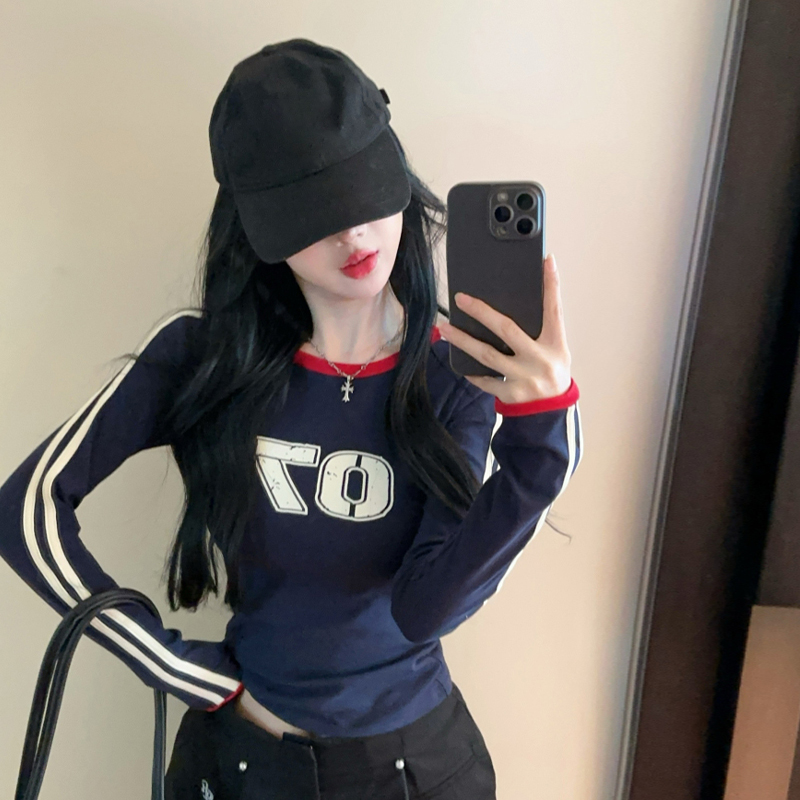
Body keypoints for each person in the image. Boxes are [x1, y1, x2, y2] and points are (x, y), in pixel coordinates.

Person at [0, 38, 582, 799]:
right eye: (312, 211)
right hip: (239, 766)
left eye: (363, 191)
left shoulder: (452, 373)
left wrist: (543, 438)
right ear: (256, 224)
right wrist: (172, 665)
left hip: (413, 771)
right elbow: (26, 510)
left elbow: (425, 608)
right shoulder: (200, 355)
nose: (353, 234)